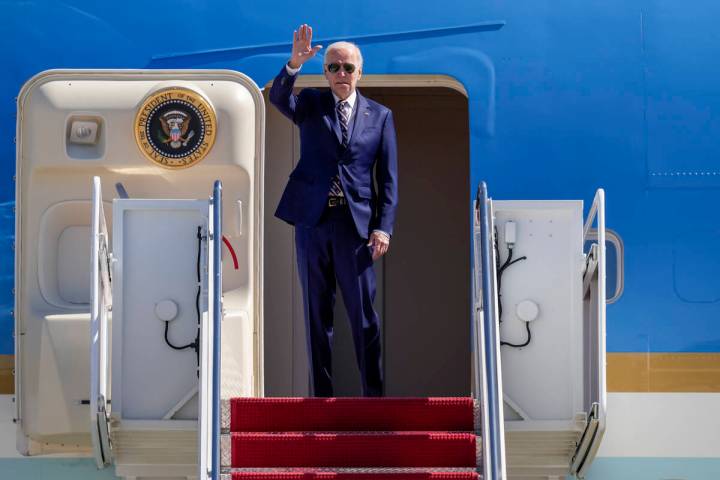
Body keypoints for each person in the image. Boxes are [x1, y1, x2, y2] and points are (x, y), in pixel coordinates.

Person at [269, 24, 398, 397]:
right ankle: (321, 398)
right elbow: (279, 97)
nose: (341, 74)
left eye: (348, 68)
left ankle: (374, 398)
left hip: (355, 227)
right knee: (315, 314)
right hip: (312, 222)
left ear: (360, 73)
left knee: (364, 317)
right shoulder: (309, 103)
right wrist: (294, 63)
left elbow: (388, 179)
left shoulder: (381, 116)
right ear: (324, 72)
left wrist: (383, 227)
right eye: (333, 67)